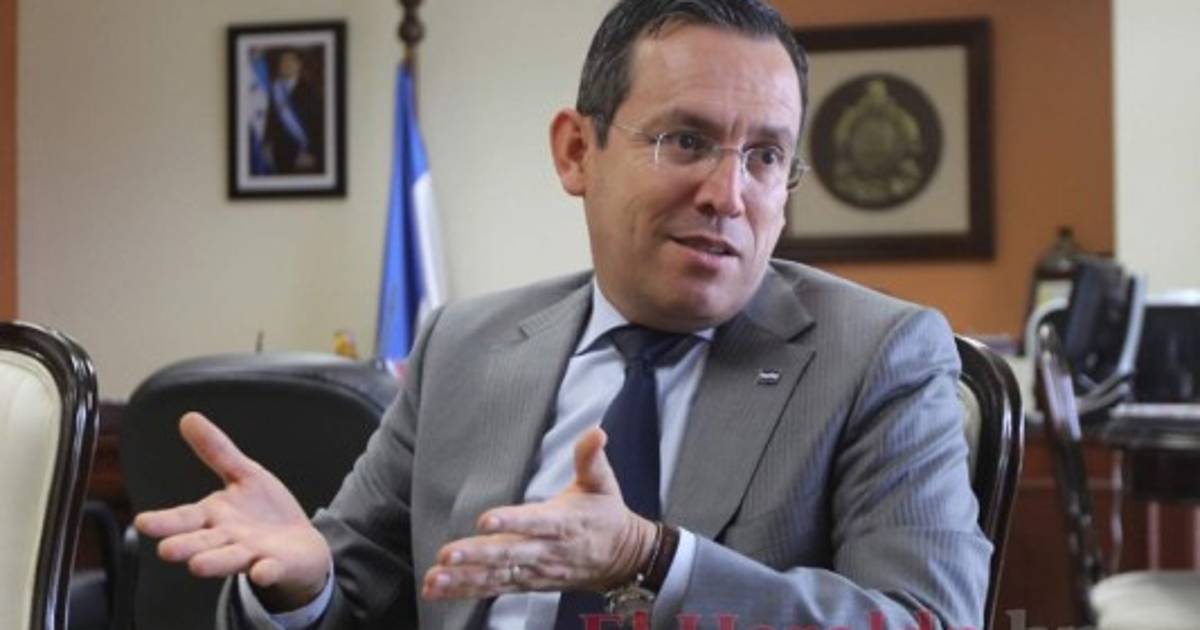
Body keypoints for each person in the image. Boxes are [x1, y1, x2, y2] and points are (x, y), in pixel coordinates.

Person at [135, 1, 991, 628]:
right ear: (578, 151)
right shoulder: (465, 347)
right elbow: (352, 599)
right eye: (686, 141)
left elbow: (929, 620)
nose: (729, 195)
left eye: (765, 155)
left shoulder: (875, 354)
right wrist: (301, 586)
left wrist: (653, 560)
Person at [262, 48, 323, 174]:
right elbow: (267, 122)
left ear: (299, 65)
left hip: (306, 154)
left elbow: (318, 125)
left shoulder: (311, 91)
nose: (287, 64)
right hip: (278, 154)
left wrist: (311, 152)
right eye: (283, 61)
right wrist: (267, 147)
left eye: (291, 61)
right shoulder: (271, 91)